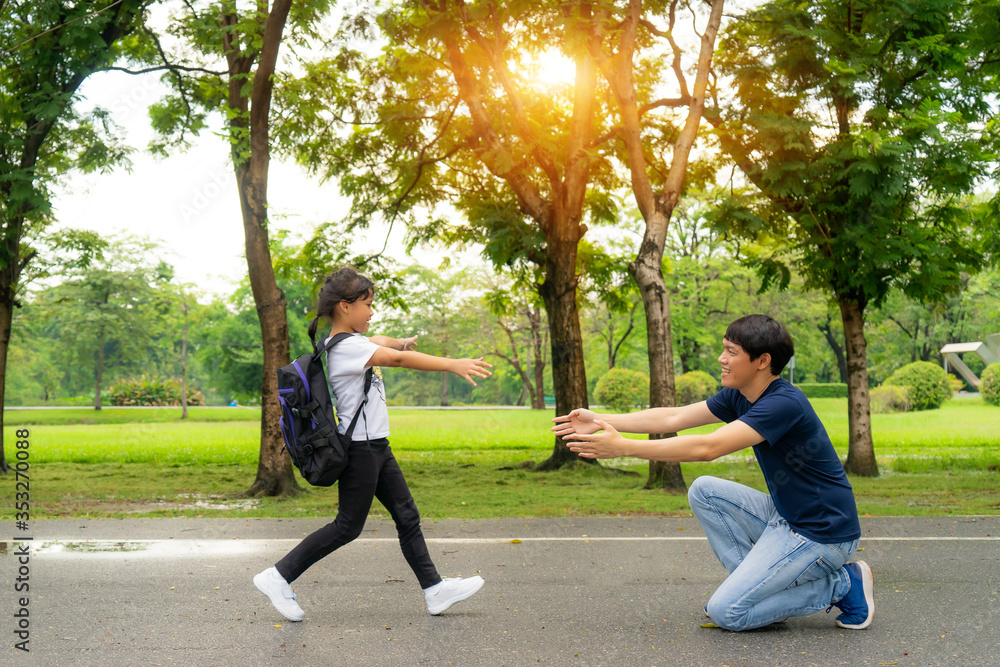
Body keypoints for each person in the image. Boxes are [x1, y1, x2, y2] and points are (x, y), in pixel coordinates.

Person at [552, 314, 874, 632]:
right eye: (724, 349)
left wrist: (624, 448)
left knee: (728, 613)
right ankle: (757, 596)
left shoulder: (783, 403)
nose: (722, 359)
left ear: (762, 361)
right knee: (705, 490)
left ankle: (844, 583)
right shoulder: (740, 394)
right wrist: (600, 419)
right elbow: (673, 418)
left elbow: (708, 448)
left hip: (822, 535)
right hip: (785, 517)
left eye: (731, 352)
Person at [254, 267, 492, 622]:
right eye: (367, 304)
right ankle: (277, 576)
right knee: (347, 526)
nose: (371, 311)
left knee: (407, 516)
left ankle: (435, 590)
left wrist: (401, 341)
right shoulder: (348, 348)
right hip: (361, 450)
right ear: (344, 307)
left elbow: (383, 342)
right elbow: (392, 358)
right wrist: (451, 365)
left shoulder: (344, 343)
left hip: (377, 447)